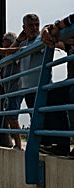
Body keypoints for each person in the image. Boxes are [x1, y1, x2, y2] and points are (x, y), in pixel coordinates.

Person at [40, 14, 74, 156]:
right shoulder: (69, 44)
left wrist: (57, 26)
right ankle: (62, 144)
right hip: (71, 81)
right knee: (53, 95)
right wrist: (47, 30)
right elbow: (53, 41)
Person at [0, 32, 23, 150]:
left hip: (15, 89)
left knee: (12, 116)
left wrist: (3, 51)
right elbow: (3, 71)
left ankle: (18, 144)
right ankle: (14, 142)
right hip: (9, 90)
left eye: (4, 39)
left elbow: (20, 50)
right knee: (10, 116)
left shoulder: (14, 54)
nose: (2, 41)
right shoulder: (6, 57)